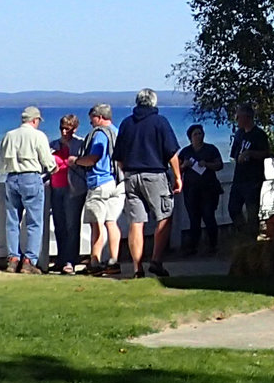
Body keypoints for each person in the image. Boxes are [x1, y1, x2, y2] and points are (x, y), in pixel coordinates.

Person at [111, 88, 183, 277]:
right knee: (164, 216)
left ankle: (137, 268)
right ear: (153, 102)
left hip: (131, 175)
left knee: (136, 222)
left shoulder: (127, 123)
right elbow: (171, 153)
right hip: (154, 174)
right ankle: (156, 260)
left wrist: (127, 172)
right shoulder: (160, 122)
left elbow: (118, 157)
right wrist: (177, 177)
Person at [0, 106, 52, 272]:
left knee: (12, 220)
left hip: (12, 177)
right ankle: (29, 261)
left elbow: (2, 157)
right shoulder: (38, 136)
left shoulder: (9, 135)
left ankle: (13, 258)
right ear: (35, 120)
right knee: (34, 222)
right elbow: (48, 161)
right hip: (31, 177)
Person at [78, 102, 124, 274]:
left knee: (96, 223)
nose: (91, 123)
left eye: (92, 119)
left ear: (99, 117)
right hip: (117, 182)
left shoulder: (99, 134)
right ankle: (114, 260)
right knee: (111, 222)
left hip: (99, 181)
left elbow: (93, 158)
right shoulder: (118, 132)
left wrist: (76, 161)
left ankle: (95, 261)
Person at [46, 113, 86, 273]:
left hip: (74, 189)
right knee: (59, 225)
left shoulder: (80, 145)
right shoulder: (53, 145)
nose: (64, 132)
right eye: (62, 128)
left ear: (74, 129)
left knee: (72, 225)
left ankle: (70, 260)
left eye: (67, 129)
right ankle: (61, 258)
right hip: (56, 188)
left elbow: (85, 164)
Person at [176, 125, 225, 256]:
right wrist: (184, 165)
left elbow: (219, 165)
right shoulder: (186, 152)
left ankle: (213, 245)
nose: (198, 136)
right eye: (195, 134)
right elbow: (177, 168)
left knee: (209, 216)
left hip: (209, 189)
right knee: (194, 218)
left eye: (200, 133)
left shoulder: (211, 149)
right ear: (190, 137)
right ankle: (193, 247)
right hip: (191, 190)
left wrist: (207, 164)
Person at [228, 106, 272, 236]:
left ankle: (251, 241)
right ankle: (244, 233)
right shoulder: (239, 134)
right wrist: (239, 156)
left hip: (253, 179)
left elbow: (266, 153)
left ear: (247, 117)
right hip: (239, 178)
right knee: (233, 209)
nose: (236, 120)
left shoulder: (259, 134)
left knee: (252, 211)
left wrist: (250, 153)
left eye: (238, 117)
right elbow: (234, 154)